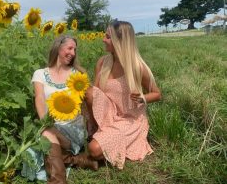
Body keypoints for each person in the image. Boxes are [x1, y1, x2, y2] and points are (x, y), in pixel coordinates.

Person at [22, 35, 98, 184]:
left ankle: (68, 166)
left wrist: (91, 126)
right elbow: (40, 100)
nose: (73, 53)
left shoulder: (77, 75)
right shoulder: (40, 74)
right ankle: (75, 162)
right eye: (70, 48)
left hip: (72, 128)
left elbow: (88, 102)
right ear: (58, 47)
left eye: (75, 50)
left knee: (42, 143)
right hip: (48, 124)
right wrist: (50, 127)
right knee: (43, 138)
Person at [85, 20, 161, 169]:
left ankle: (103, 141)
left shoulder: (136, 67)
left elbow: (157, 94)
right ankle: (96, 131)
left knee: (94, 150)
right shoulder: (102, 63)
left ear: (120, 41)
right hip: (108, 113)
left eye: (107, 37)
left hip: (129, 119)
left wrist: (143, 98)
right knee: (89, 91)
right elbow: (97, 95)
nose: (103, 39)